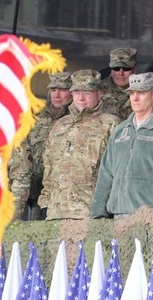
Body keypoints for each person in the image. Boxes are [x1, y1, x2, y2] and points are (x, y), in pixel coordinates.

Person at [91, 72, 153, 218]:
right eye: (132, 93)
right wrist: (97, 214)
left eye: (141, 93)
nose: (134, 98)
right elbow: (106, 174)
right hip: (118, 216)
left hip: (151, 217)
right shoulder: (120, 130)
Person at [38, 70, 121, 220]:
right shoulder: (60, 125)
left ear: (99, 94)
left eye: (87, 93)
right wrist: (45, 204)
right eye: (76, 92)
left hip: (91, 213)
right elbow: (49, 168)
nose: (81, 98)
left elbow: (118, 171)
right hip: (56, 212)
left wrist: (108, 209)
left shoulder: (111, 124)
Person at [8, 72, 72, 220]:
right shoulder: (36, 115)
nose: (56, 95)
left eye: (62, 90)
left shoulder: (75, 120)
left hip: (55, 190)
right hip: (29, 186)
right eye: (53, 90)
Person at [101, 47, 137, 120]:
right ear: (110, 71)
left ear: (135, 70)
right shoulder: (98, 94)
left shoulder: (145, 95)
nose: (121, 73)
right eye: (116, 68)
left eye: (126, 69)